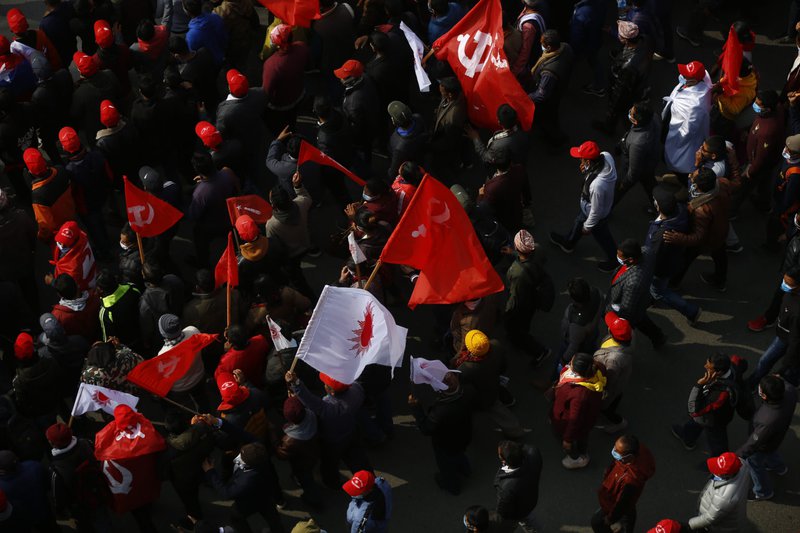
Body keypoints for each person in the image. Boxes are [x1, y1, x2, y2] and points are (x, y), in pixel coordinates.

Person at [285, 370, 370, 489]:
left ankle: (332, 483)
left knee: (330, 464)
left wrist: (295, 384)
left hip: (332, 441)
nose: (324, 385)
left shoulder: (329, 407)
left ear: (332, 391)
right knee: (357, 460)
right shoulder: (357, 391)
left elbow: (310, 401)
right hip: (351, 431)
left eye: (325, 384)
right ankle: (368, 481)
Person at [550, 141, 619, 272]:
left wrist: (588, 227)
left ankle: (615, 260)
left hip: (595, 215)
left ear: (588, 161)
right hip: (589, 209)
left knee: (603, 237)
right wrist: (587, 170)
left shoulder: (597, 186)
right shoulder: (606, 156)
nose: (579, 160)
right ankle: (569, 243)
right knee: (578, 222)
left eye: (581, 158)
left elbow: (596, 211)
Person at [664, 168, 731, 292]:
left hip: (707, 239)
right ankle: (720, 280)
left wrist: (678, 238)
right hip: (721, 230)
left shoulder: (701, 210)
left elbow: (698, 237)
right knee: (720, 254)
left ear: (699, 187)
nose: (689, 176)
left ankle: (673, 284)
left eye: (692, 178)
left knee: (686, 258)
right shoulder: (722, 183)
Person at [408, 372, 474, 495]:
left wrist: (416, 408)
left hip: (446, 444)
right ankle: (466, 470)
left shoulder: (440, 412)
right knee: (460, 454)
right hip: (465, 435)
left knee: (447, 466)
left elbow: (426, 429)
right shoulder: (469, 391)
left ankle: (452, 486)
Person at [451, 330, 525, 439]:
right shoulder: (496, 345)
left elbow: (466, 387)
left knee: (497, 410)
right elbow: (503, 365)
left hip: (483, 395)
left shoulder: (466, 369)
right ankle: (514, 427)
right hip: (493, 381)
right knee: (498, 403)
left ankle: (515, 431)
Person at [643, 187, 701, 325]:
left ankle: (691, 311)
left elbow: (653, 256)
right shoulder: (680, 211)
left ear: (658, 207)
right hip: (672, 261)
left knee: (659, 291)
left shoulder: (663, 235)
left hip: (661, 269)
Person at [736, 375, 796, 501]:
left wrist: (738, 455)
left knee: (754, 464)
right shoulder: (790, 392)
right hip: (776, 438)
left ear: (764, 396)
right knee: (771, 452)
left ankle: (763, 491)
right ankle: (779, 468)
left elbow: (753, 443)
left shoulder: (766, 420)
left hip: (763, 444)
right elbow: (785, 383)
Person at [203, 442, 285, 533]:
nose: (238, 456)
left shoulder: (246, 480)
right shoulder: (261, 458)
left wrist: (211, 473)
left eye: (241, 455)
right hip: (265, 496)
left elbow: (226, 493)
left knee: (236, 517)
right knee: (273, 518)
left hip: (249, 502)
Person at [671, 353, 737, 456]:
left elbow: (695, 411)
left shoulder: (720, 393)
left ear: (718, 372)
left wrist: (699, 385)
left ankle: (720, 464)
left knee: (717, 440)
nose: (705, 366)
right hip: (714, 414)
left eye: (708, 366)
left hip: (714, 419)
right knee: (695, 423)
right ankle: (687, 437)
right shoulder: (732, 371)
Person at [746, 267, 800, 387]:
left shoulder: (797, 312)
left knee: (789, 372)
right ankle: (752, 383)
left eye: (788, 283)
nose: (784, 284)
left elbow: (795, 341)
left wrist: (785, 365)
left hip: (790, 340)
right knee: (765, 361)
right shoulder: (789, 293)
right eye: (784, 280)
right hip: (783, 336)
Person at [551, 352, 606, 469]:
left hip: (570, 421)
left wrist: (567, 439)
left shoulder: (579, 395)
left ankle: (577, 457)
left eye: (571, 363)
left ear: (577, 372)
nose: (569, 364)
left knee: (579, 438)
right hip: (588, 416)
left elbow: (574, 419)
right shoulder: (598, 369)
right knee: (582, 435)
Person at [595, 21, 651, 135]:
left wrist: (613, 106)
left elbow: (620, 91)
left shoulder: (628, 66)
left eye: (620, 35)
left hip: (627, 89)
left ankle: (611, 128)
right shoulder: (646, 40)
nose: (618, 36)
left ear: (625, 40)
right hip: (640, 84)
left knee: (619, 110)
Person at [504, 230, 552, 363]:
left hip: (522, 304)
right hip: (533, 299)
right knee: (523, 325)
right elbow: (531, 257)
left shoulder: (516, 272)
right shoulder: (538, 249)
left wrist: (508, 310)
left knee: (517, 330)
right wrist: (513, 253)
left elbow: (514, 295)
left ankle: (540, 352)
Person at [608, 239, 666, 347]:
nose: (617, 257)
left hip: (634, 304)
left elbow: (627, 309)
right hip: (642, 296)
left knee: (640, 321)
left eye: (620, 256)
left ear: (630, 260)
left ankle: (657, 337)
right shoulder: (647, 251)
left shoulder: (633, 282)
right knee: (642, 320)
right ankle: (658, 336)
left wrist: (621, 323)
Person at [592, 435, 655, 533]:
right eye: (615, 448)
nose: (614, 452)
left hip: (614, 502)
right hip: (617, 499)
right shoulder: (635, 451)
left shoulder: (630, 481)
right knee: (628, 512)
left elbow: (621, 504)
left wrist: (610, 519)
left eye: (617, 453)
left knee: (597, 523)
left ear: (629, 457)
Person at [662, 61, 712, 175]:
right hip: (673, 121)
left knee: (680, 159)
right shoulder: (696, 81)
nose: (682, 76)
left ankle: (682, 181)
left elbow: (689, 130)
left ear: (694, 80)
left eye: (685, 76)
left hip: (680, 135)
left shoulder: (696, 104)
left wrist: (678, 140)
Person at [275, 396, 323, 508]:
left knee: (307, 480)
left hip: (302, 463)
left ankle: (314, 501)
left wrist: (273, 437)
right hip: (314, 452)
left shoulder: (289, 440)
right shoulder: (311, 414)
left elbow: (281, 455)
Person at [528, 29, 573, 147]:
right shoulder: (566, 47)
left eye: (542, 44)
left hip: (551, 97)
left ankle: (555, 141)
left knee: (547, 118)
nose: (541, 46)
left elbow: (541, 94)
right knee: (552, 116)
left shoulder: (549, 71)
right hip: (560, 88)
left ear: (548, 47)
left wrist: (527, 97)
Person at [686, 452, 751, 532]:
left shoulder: (723, 498)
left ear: (726, 475)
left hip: (720, 527)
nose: (714, 471)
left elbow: (709, 518)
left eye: (718, 470)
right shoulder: (742, 465)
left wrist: (690, 524)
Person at [261, 25, 309, 132]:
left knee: (279, 125)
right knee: (292, 119)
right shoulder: (302, 47)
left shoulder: (271, 65)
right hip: (298, 94)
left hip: (280, 103)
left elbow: (267, 92)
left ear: (276, 45)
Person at [592, 312, 634, 433]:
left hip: (611, 388)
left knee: (607, 409)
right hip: (619, 383)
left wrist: (602, 393)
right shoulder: (629, 334)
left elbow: (609, 380)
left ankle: (619, 423)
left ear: (611, 333)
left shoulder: (614, 360)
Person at [24, 146, 76, 242]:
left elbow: (46, 226)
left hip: (61, 233)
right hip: (72, 216)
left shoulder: (38, 195)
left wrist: (42, 237)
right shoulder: (60, 170)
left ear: (30, 171)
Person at [492, 440, 543, 532]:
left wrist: (499, 516)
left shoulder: (506, 486)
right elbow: (526, 447)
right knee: (530, 520)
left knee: (515, 524)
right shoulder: (533, 453)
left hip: (517, 512)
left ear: (504, 461)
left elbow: (503, 509)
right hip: (530, 499)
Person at [615, 104, 660, 207]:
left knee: (617, 190)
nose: (629, 111)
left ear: (635, 121)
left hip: (636, 165)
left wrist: (624, 183)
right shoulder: (653, 117)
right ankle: (657, 206)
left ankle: (605, 211)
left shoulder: (638, 144)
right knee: (649, 184)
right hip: (650, 159)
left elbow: (633, 172)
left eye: (631, 113)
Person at [559, 277, 602, 366]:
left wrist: (563, 360)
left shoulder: (577, 323)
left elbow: (573, 347)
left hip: (580, 345)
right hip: (593, 334)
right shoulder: (596, 293)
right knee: (591, 348)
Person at [97, 269, 142, 347]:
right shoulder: (133, 288)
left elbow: (108, 339)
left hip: (127, 346)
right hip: (142, 334)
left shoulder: (106, 312)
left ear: (100, 289)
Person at [387, 100, 427, 180]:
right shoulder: (418, 118)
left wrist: (390, 175)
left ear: (394, 121)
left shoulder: (399, 146)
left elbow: (394, 169)